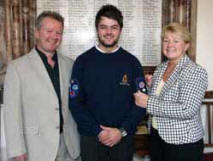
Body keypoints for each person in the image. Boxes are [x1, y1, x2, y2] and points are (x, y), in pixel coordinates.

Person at [69, 4, 146, 161]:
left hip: (123, 139)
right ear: (97, 29)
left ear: (120, 30)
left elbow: (141, 104)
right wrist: (98, 131)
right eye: (103, 27)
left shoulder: (132, 63)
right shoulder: (82, 62)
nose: (109, 32)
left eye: (114, 27)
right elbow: (75, 103)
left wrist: (121, 131)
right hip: (92, 139)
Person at [3, 11, 80, 161]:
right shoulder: (17, 68)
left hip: (69, 147)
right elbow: (11, 114)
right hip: (36, 148)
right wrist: (17, 150)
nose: (54, 36)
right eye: (49, 31)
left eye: (59, 32)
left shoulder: (70, 65)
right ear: (37, 33)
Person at [134, 22, 208, 161]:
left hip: (183, 142)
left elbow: (187, 109)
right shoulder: (161, 68)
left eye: (176, 41)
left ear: (186, 45)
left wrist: (148, 102)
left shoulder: (194, 71)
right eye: (166, 40)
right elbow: (163, 99)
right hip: (157, 135)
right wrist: (150, 88)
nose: (169, 45)